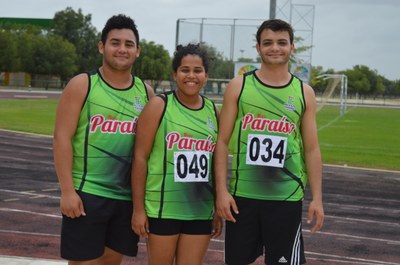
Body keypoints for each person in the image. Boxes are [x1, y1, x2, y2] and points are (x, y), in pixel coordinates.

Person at [214, 19, 324, 265]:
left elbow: (312, 148)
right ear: (258, 48)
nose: (275, 48)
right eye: (268, 43)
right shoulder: (239, 86)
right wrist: (221, 191)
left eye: (282, 42)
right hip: (243, 197)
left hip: (286, 197)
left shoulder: (304, 92)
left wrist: (317, 198)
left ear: (292, 47)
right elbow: (221, 142)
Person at [53, 14, 154, 265]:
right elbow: (61, 138)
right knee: (83, 262)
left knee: (111, 261)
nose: (122, 49)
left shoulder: (146, 93)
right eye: (115, 42)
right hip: (88, 192)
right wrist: (67, 191)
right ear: (102, 46)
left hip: (126, 196)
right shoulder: (82, 84)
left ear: (138, 51)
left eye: (129, 44)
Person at [131, 43, 222, 265]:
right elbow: (140, 158)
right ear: (175, 74)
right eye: (185, 70)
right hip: (162, 208)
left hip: (200, 209)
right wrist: (139, 209)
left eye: (197, 70)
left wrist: (217, 207)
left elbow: (216, 164)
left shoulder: (213, 111)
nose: (191, 76)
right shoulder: (159, 106)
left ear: (206, 75)